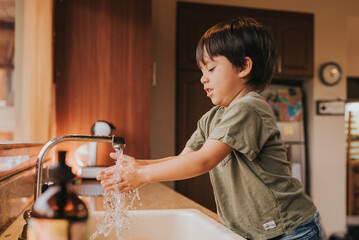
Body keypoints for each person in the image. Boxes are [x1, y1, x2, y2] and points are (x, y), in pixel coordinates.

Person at [97, 17, 323, 240]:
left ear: (244, 66)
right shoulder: (212, 118)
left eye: (211, 69)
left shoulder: (249, 106)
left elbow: (203, 161)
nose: (203, 79)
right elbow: (184, 159)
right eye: (202, 71)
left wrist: (142, 175)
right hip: (259, 232)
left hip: (291, 230)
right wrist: (141, 165)